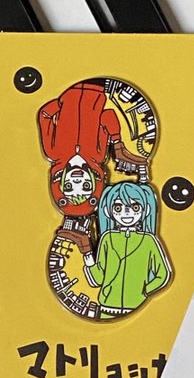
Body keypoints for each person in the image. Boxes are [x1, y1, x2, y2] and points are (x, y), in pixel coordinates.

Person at [38, 80, 148, 252]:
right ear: (95, 182)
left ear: (59, 182)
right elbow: (107, 115)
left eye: (69, 187)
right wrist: (117, 142)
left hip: (69, 83)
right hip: (98, 86)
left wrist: (60, 103)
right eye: (86, 186)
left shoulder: (53, 151)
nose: (77, 180)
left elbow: (44, 115)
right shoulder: (98, 154)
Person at [84, 182, 171, 318]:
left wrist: (144, 291)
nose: (126, 212)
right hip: (107, 307)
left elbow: (163, 274)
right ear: (108, 211)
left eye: (135, 207)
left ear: (146, 209)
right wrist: (89, 259)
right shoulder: (107, 238)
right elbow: (99, 279)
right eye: (118, 208)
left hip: (138, 308)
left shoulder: (148, 241)